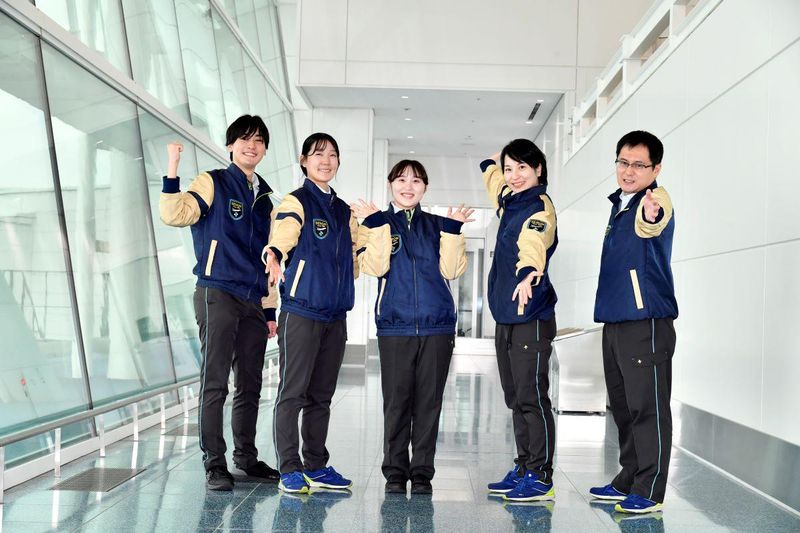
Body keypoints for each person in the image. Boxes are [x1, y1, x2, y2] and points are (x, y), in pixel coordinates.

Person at [159, 115, 280, 491]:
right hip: (217, 292)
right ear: (231, 146)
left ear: (265, 149)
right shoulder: (213, 182)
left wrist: (270, 309)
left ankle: (246, 457)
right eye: (244, 139)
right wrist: (173, 168)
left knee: (250, 383)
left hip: (253, 301)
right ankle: (214, 462)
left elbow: (271, 259)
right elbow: (175, 214)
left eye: (258, 141)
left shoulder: (266, 200)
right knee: (215, 382)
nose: (251, 146)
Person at [353, 160, 473, 495]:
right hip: (395, 325)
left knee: (429, 404)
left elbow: (452, 270)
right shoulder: (376, 222)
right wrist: (376, 225)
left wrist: (453, 231)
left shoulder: (439, 225)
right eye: (402, 179)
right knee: (396, 403)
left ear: (425, 188)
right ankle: (395, 471)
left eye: (417, 181)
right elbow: (376, 267)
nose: (409, 186)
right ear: (391, 183)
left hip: (437, 327)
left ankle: (421, 472)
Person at [263, 132, 359, 494]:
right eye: (318, 154)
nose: (326, 161)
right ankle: (289, 467)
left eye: (332, 155)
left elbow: (356, 252)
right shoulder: (297, 200)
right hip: (302, 312)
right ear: (304, 161)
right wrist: (275, 252)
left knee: (322, 396)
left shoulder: (343, 210)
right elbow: (285, 230)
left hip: (335, 316)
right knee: (293, 392)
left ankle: (316, 465)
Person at [589, 130, 678, 514]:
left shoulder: (655, 200)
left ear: (655, 169)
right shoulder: (620, 204)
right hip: (616, 319)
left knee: (647, 407)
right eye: (623, 162)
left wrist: (649, 214)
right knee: (624, 407)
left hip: (646, 321)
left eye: (639, 165)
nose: (628, 171)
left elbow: (651, 223)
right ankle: (629, 476)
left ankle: (650, 488)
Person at [480, 139, 559, 502]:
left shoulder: (539, 208)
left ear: (538, 169)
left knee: (532, 398)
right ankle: (525, 466)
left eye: (522, 168)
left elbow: (534, 242)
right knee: (515, 398)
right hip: (507, 315)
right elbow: (495, 182)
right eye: (509, 169)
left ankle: (540, 476)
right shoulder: (509, 201)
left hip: (532, 315)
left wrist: (528, 272)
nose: (513, 176)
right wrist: (491, 164)